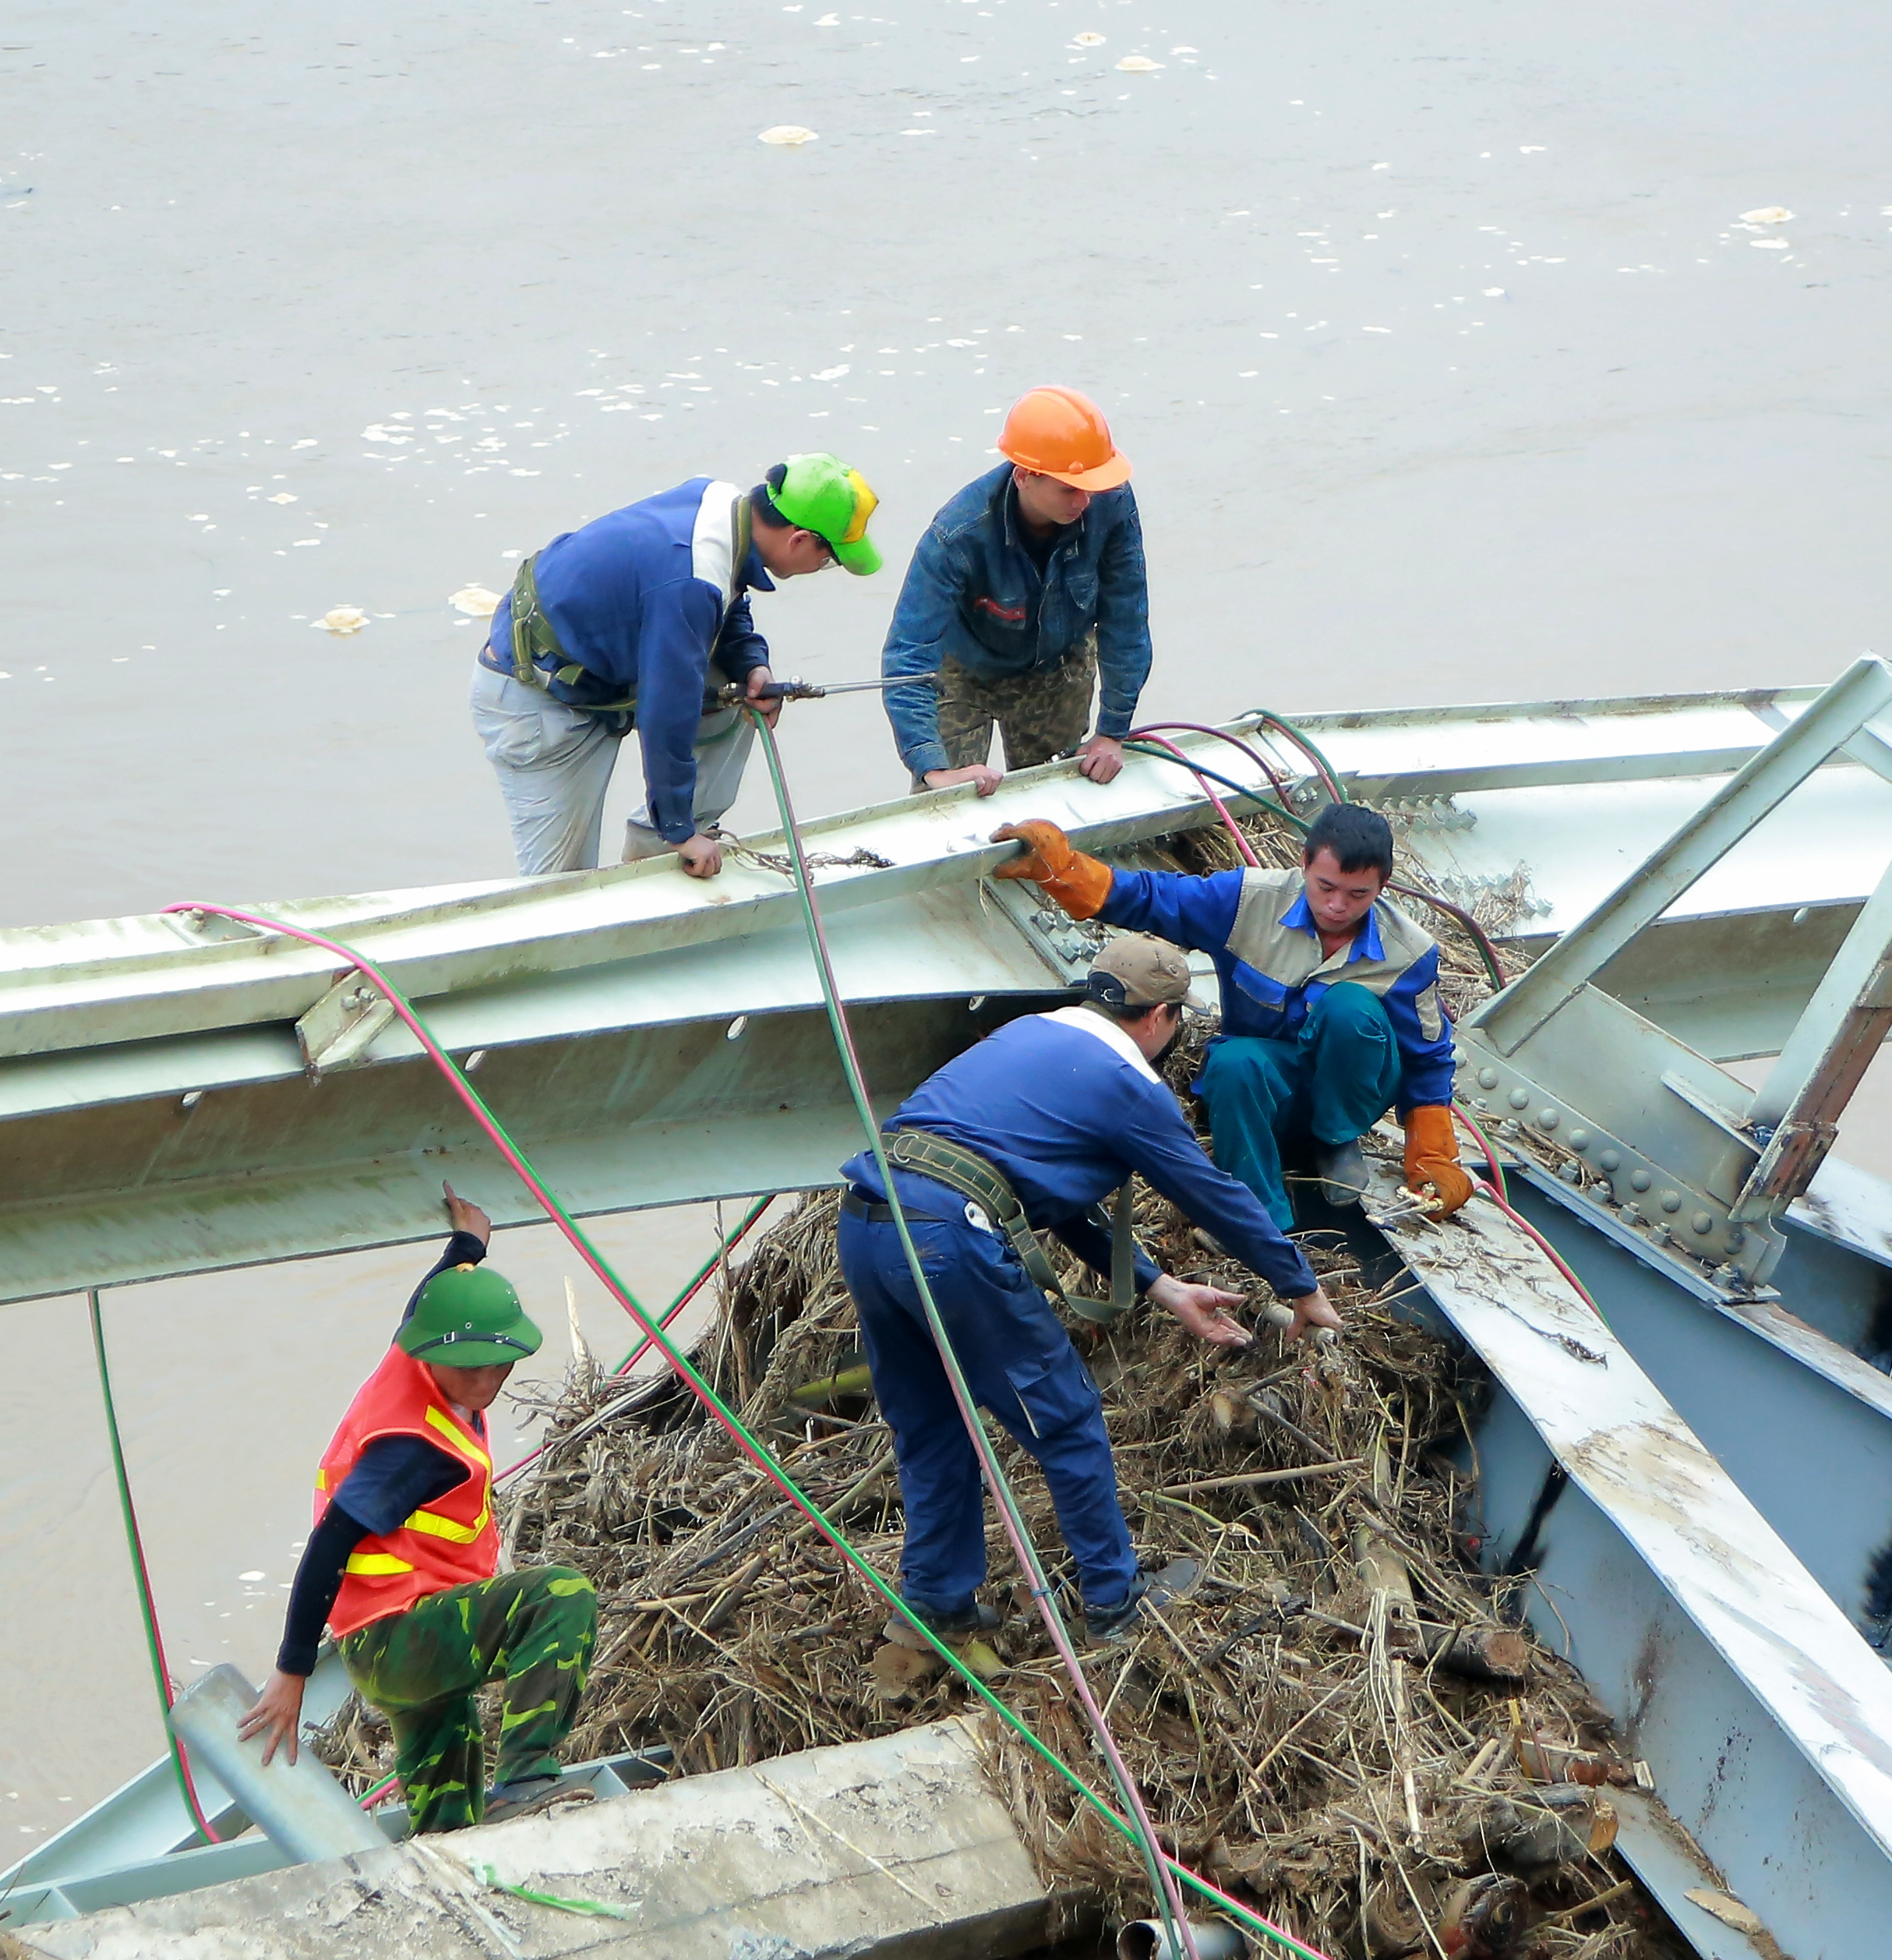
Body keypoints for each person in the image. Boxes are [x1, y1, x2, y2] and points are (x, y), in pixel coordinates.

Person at [839, 934, 1345, 1661]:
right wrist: (1301, 1286)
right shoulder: (1127, 1084)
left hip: (868, 1218)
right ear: (1161, 1016)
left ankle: (934, 1604)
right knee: (1065, 1417)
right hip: (947, 1236)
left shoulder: (1026, 1036)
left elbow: (1046, 1195)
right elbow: (1212, 1194)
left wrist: (1159, 1285)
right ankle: (1113, 1603)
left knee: (931, 1422)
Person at [241, 1192, 599, 1833]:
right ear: (436, 1355)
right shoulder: (412, 1450)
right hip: (400, 1639)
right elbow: (331, 1542)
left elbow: (430, 1296)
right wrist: (292, 1670)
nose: (488, 1380)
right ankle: (525, 1778)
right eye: (471, 1369)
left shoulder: (410, 1351)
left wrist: (468, 1245)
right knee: (561, 1597)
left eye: (500, 1363)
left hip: (406, 1632)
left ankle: (450, 1867)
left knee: (449, 1813)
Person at [991, 802, 1473, 1232]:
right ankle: (1262, 1223)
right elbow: (1156, 899)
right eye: (1325, 887)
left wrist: (1434, 1160)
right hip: (1269, 1085)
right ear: (1304, 864)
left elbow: (1427, 1059)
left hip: (1350, 1094)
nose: (1337, 906)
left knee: (1350, 1008)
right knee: (1232, 1062)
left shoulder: (1409, 953)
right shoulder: (1247, 902)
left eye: (1358, 894)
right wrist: (1063, 871)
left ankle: (1335, 1139)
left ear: (1382, 887)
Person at [474, 457, 884, 878]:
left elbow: (728, 596)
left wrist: (750, 664)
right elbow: (667, 708)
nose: (823, 568)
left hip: (599, 664)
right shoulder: (690, 580)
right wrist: (678, 826)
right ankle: (677, 836)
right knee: (559, 886)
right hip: (537, 699)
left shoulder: (722, 506)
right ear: (798, 540)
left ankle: (658, 852)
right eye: (829, 558)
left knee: (738, 690)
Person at [877, 388, 1148, 799]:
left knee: (1059, 803)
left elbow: (1126, 617)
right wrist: (930, 766)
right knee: (949, 803)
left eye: (1090, 486)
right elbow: (908, 654)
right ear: (1024, 476)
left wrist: (1113, 731)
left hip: (1056, 669)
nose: (1085, 499)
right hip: (963, 675)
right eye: (1069, 489)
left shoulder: (1109, 502)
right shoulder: (956, 536)